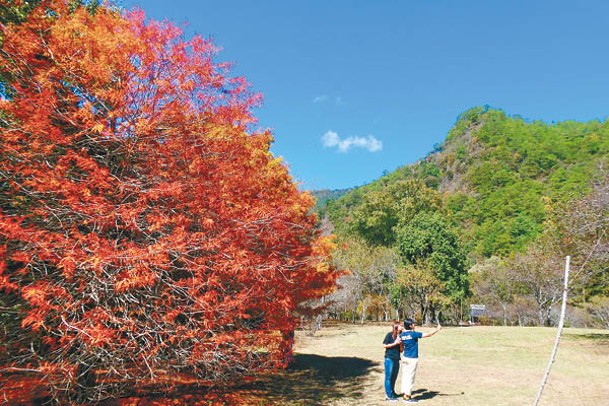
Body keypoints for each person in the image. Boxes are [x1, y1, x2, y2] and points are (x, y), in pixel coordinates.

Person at [399, 319, 441, 403]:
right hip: (412, 359)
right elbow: (428, 334)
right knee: (410, 377)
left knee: (405, 376)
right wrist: (437, 329)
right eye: (413, 324)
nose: (414, 325)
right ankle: (407, 397)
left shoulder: (402, 334)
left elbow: (401, 344)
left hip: (405, 358)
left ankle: (404, 393)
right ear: (410, 326)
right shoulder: (414, 334)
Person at [382, 320, 402, 401]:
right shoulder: (389, 335)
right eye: (401, 325)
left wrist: (401, 344)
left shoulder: (400, 336)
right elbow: (384, 345)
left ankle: (392, 392)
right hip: (389, 358)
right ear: (396, 326)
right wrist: (395, 343)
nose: (402, 327)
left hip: (397, 358)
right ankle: (389, 395)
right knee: (388, 377)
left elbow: (401, 350)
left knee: (394, 377)